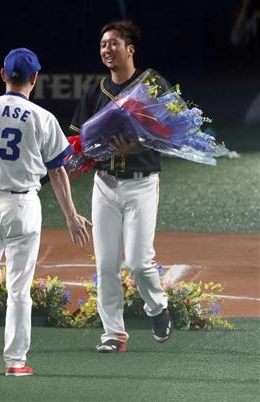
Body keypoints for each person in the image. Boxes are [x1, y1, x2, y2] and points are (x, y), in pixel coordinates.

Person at [0, 48, 91, 376]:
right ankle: (15, 361)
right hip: (22, 205)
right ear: (35, 79)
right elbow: (57, 171)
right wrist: (71, 215)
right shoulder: (42, 118)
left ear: (2, 74)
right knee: (18, 287)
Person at [69, 20, 172, 353]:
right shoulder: (95, 92)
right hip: (105, 186)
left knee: (140, 262)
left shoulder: (151, 88)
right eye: (102, 45)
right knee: (106, 264)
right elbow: (78, 139)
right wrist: (79, 155)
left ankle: (157, 308)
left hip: (141, 185)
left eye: (113, 43)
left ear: (130, 49)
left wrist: (140, 146)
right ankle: (113, 334)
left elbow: (171, 134)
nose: (106, 49)